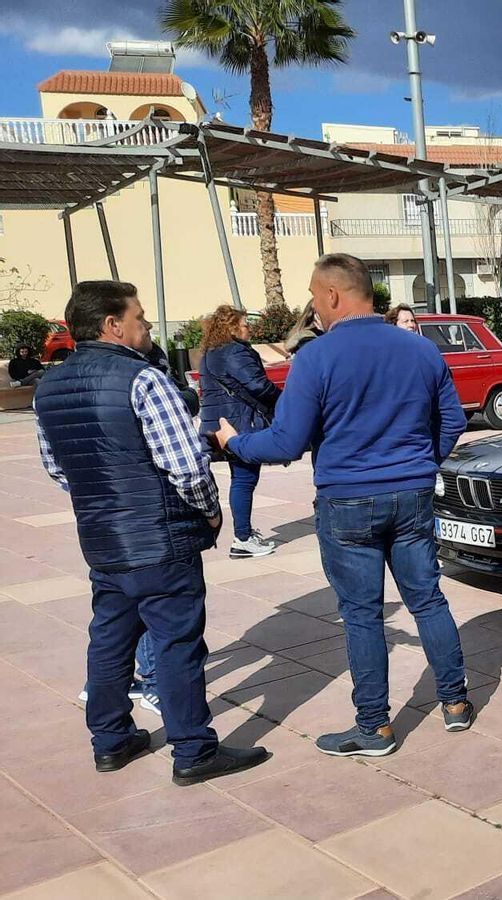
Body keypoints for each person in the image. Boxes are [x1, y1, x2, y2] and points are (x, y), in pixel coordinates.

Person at [218, 253, 473, 757]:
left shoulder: (316, 357)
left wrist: (235, 445)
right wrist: (421, 462)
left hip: (348, 502)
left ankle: (374, 728)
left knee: (361, 615)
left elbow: (287, 441)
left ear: (333, 295)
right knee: (428, 600)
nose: (313, 306)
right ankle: (456, 704)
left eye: (314, 296)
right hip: (412, 494)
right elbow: (453, 421)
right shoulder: (420, 351)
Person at [33, 280, 268, 785]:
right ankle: (193, 751)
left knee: (110, 641)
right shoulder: (143, 379)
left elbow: (57, 468)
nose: (148, 325)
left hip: (104, 540)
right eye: (140, 317)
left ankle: (111, 741)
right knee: (177, 641)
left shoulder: (48, 387)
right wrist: (209, 512)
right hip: (159, 539)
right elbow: (185, 465)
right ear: (112, 325)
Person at [199, 305, 281, 558]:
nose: (250, 328)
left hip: (222, 422)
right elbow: (258, 385)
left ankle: (243, 534)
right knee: (245, 479)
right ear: (232, 327)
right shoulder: (234, 351)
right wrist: (286, 400)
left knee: (241, 478)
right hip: (239, 424)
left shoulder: (211, 352)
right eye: (245, 324)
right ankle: (242, 538)